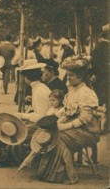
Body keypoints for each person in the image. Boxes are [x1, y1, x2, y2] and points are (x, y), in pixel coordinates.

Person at [33, 55, 100, 184]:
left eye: (71, 76)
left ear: (80, 77)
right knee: (51, 134)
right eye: (68, 75)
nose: (68, 78)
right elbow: (67, 112)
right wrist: (56, 121)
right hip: (74, 128)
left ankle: (68, 175)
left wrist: (64, 127)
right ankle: (50, 172)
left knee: (59, 137)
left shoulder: (86, 93)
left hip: (88, 131)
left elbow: (84, 119)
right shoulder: (71, 92)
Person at [91, 25, 109, 108]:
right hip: (104, 76)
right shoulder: (103, 47)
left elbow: (94, 63)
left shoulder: (98, 47)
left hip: (101, 76)